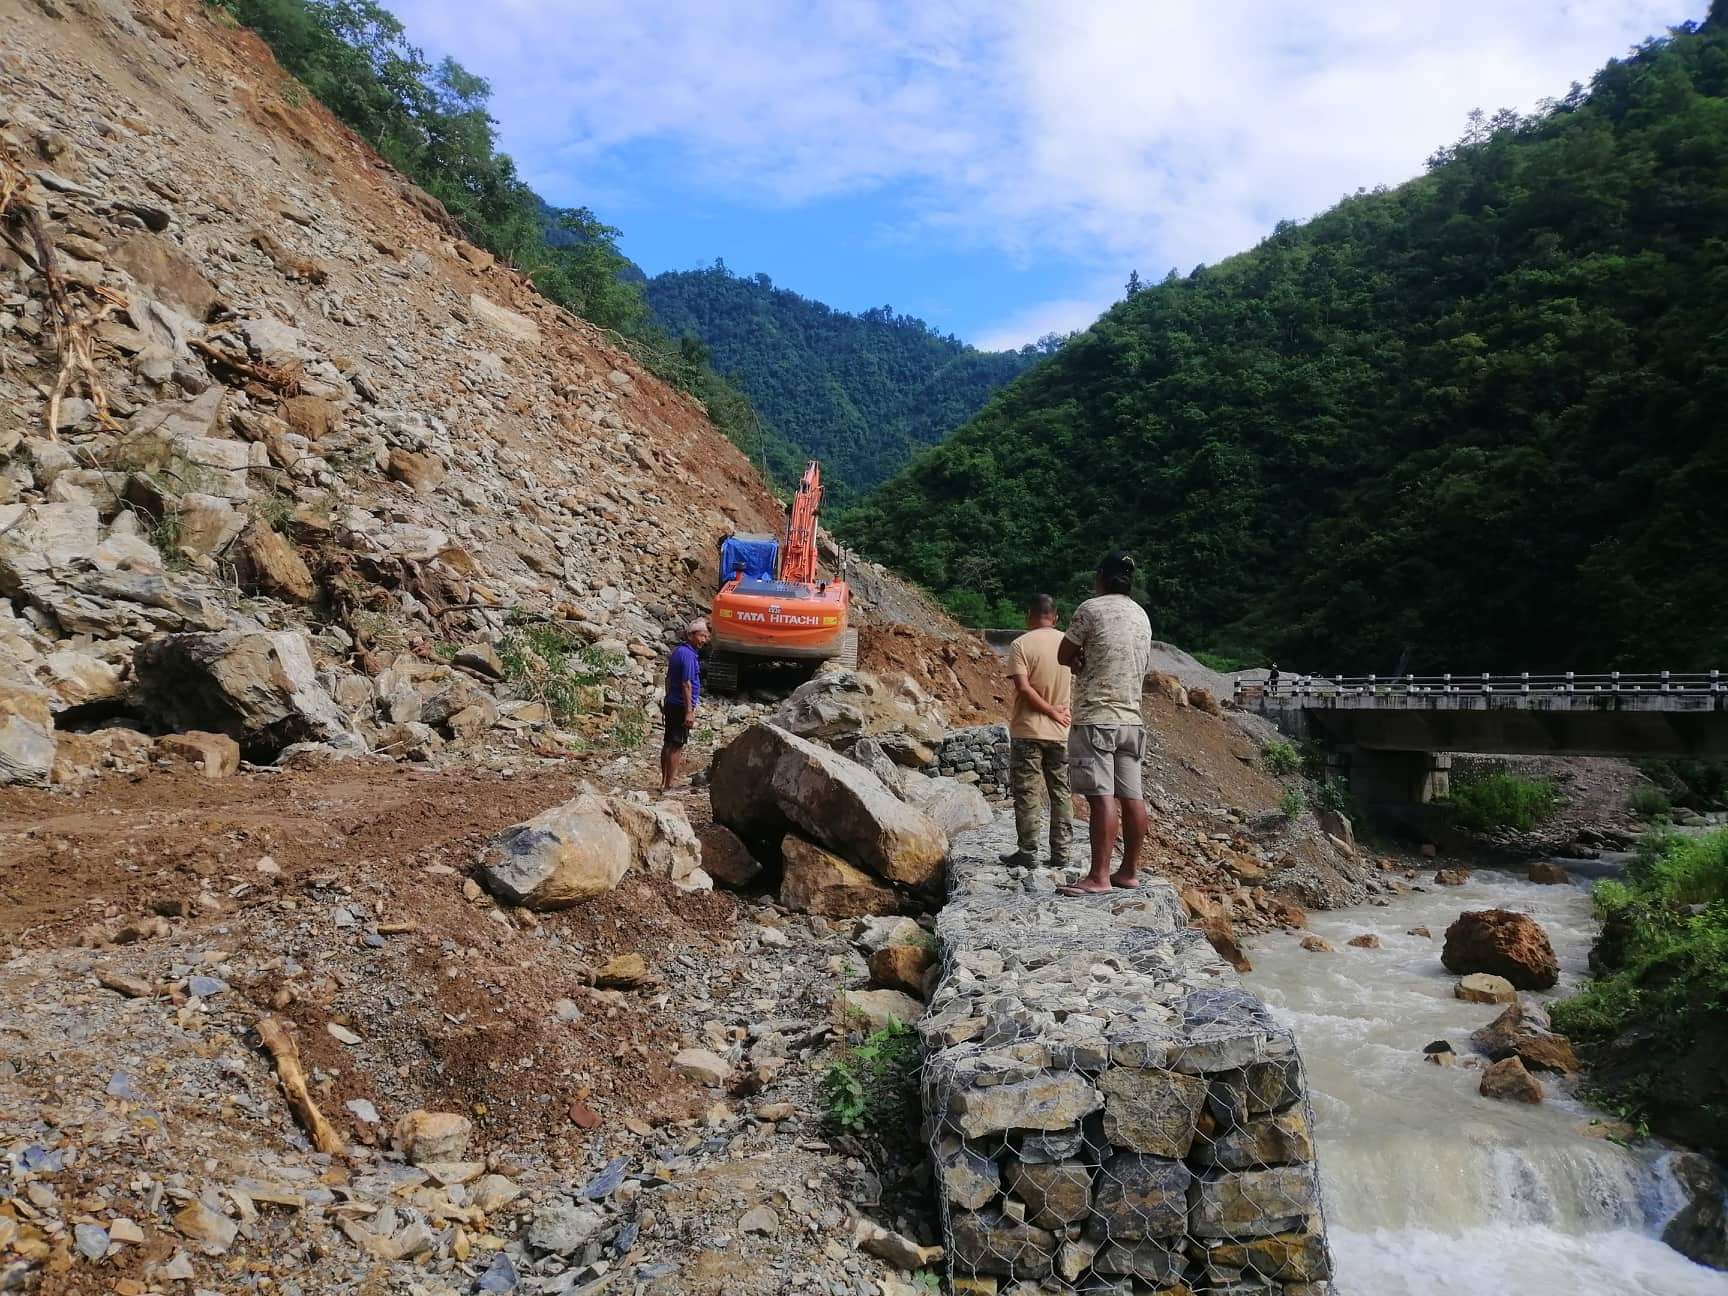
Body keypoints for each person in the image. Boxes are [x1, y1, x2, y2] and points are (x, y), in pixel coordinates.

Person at [1057, 552, 1154, 896]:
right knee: (1132, 798)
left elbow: (1063, 655)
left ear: (1101, 577)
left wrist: (1080, 660)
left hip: (1096, 718)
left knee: (1102, 798)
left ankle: (1098, 877)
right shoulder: (1142, 616)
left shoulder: (1091, 609)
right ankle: (1128, 871)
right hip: (1132, 721)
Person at [1000, 594, 1073, 870]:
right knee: (1061, 792)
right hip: (1060, 732)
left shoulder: (1020, 644)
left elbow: (1023, 687)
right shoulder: (1068, 643)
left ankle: (1028, 851)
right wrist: (1058, 712)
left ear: (1029, 615)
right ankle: (1061, 854)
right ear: (1055, 617)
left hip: (1028, 730)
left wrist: (1048, 711)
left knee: (1028, 791)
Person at [660, 618, 710, 793]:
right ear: (691, 635)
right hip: (681, 705)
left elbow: (668, 678)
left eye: (706, 636)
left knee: (668, 743)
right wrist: (689, 711)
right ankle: (668, 785)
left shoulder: (678, 651)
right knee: (677, 745)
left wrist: (667, 699)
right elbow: (686, 683)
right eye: (702, 636)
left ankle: (663, 782)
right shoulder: (689, 656)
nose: (704, 640)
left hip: (672, 702)